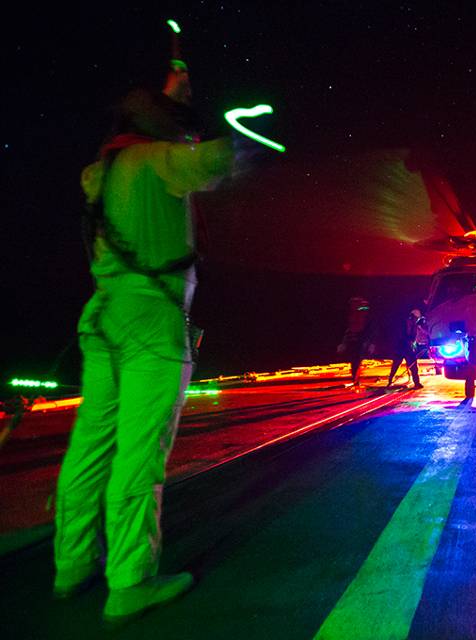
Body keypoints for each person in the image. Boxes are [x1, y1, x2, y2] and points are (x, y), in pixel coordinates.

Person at [54, 64, 235, 623]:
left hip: (103, 317)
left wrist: (167, 102)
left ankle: (72, 564)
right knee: (140, 453)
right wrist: (236, 126)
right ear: (161, 126)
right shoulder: (159, 161)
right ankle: (131, 581)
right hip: (152, 321)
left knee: (90, 448)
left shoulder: (101, 172)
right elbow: (219, 160)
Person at [337, 297, 375, 388]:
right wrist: (344, 342)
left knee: (359, 359)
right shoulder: (351, 314)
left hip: (360, 338)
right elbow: (349, 329)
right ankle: (355, 378)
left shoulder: (361, 311)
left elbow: (366, 310)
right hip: (353, 339)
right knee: (354, 360)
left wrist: (369, 343)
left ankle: (356, 378)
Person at [386, 308, 426, 389]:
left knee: (396, 365)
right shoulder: (410, 324)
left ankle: (390, 381)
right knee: (413, 367)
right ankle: (416, 383)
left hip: (401, 348)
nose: (417, 320)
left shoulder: (408, 323)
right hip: (406, 348)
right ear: (414, 317)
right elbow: (410, 337)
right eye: (417, 318)